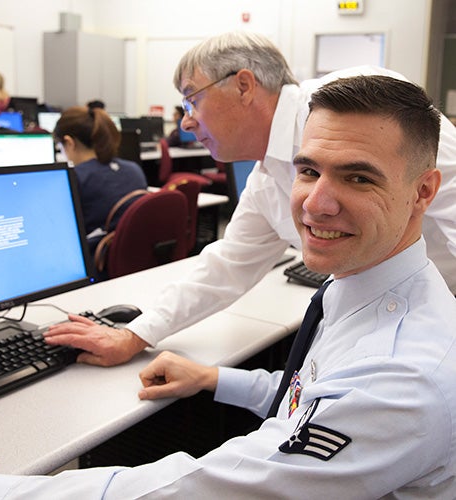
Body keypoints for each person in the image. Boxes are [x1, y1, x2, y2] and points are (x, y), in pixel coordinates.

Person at [0, 75, 456, 499]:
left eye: (359, 179)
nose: (315, 204)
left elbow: (208, 489)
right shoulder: (367, 288)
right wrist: (215, 379)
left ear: (423, 192)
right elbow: (312, 399)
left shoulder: (405, 376)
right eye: (307, 171)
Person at [43, 31, 456, 368]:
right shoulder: (268, 174)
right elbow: (227, 266)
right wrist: (135, 334)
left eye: (192, 99)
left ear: (243, 85)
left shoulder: (355, 108)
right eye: (309, 171)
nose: (186, 121)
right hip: (378, 320)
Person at [52, 106, 148, 240]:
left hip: (95, 258)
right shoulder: (134, 169)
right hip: (133, 256)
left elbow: (59, 231)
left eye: (60, 146)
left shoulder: (74, 178)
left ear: (69, 142)